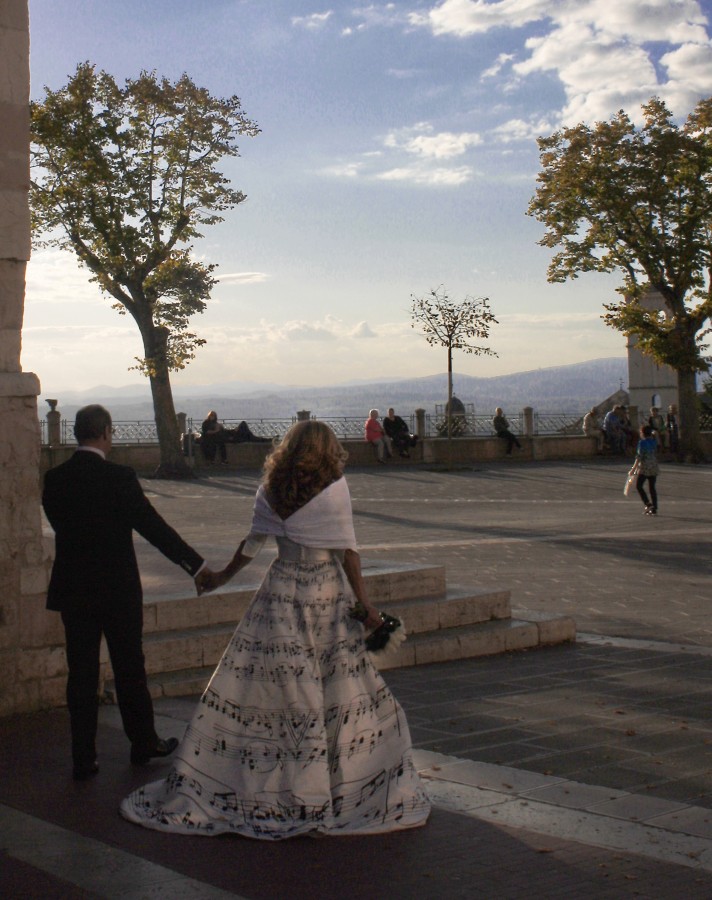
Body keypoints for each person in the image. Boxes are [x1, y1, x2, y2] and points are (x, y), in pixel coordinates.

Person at [120, 421, 431, 839]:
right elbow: (348, 552)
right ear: (326, 450)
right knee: (336, 688)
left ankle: (271, 782)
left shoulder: (271, 489)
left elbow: (252, 544)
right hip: (324, 592)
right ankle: (329, 784)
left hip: (280, 590)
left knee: (275, 690)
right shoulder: (335, 489)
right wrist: (365, 603)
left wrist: (221, 577)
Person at [42, 405, 212, 780]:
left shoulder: (54, 479)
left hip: (74, 590)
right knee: (129, 668)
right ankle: (143, 741)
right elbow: (153, 527)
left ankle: (83, 756)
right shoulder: (119, 477)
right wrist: (195, 566)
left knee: (81, 674)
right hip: (117, 590)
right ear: (104, 432)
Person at [635, 424, 659, 515]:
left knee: (639, 486)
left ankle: (648, 504)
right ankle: (654, 507)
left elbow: (639, 456)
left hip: (645, 467)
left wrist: (634, 468)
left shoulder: (642, 443)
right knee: (652, 487)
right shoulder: (654, 441)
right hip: (654, 466)